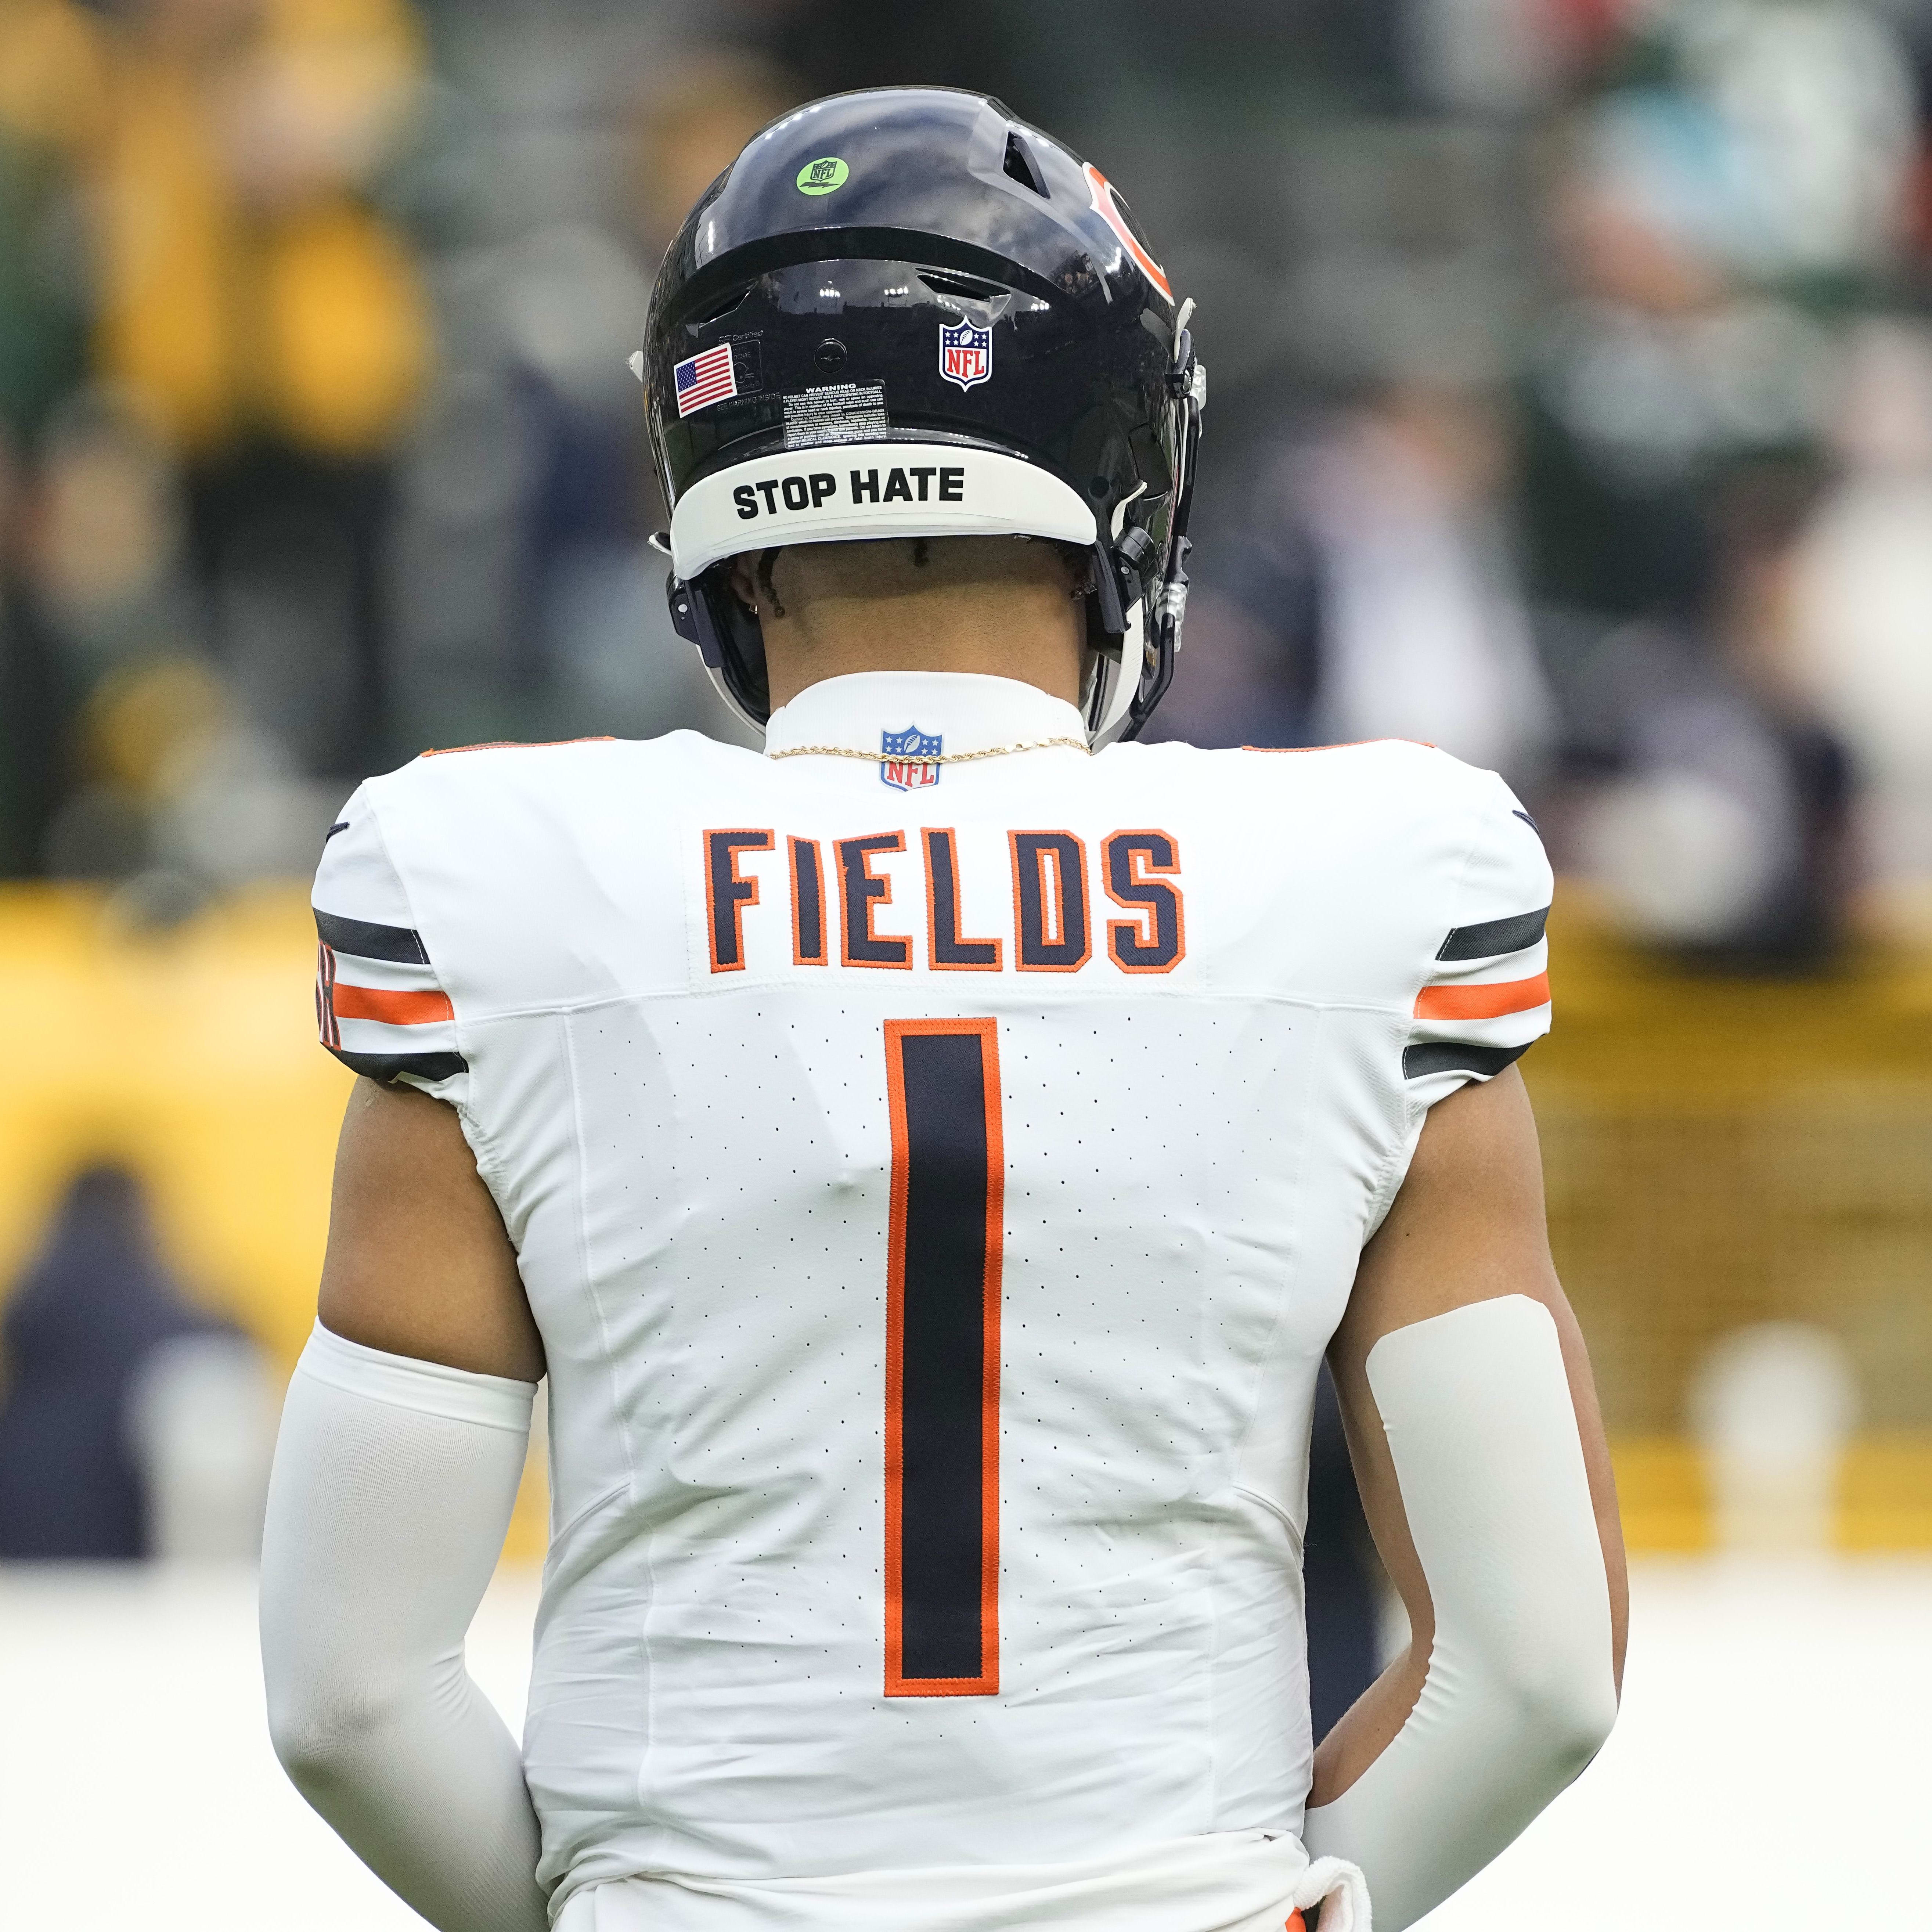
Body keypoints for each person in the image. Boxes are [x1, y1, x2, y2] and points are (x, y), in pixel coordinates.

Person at [259, 87, 1626, 1932]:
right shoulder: (1368, 877)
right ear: (1124, 466)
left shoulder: (510, 881)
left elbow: (350, 1697)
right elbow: (1536, 1669)